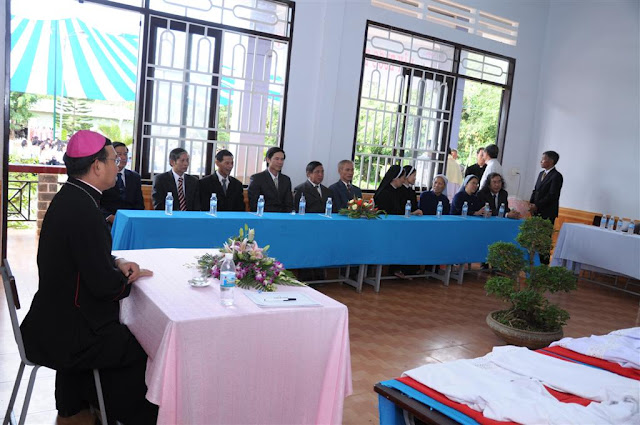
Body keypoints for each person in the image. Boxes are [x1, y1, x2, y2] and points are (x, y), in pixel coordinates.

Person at [19, 130, 158, 424]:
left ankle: (80, 405)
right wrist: (127, 281)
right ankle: (118, 416)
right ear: (96, 166)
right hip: (69, 333)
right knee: (144, 346)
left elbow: (82, 257)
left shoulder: (71, 197)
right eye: (114, 160)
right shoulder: (85, 210)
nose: (118, 166)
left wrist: (117, 261)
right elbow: (104, 287)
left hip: (50, 319)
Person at [101, 142, 145, 225]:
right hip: (106, 221)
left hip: (131, 221)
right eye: (119, 154)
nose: (123, 158)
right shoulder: (102, 176)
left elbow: (139, 204)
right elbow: (97, 202)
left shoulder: (134, 177)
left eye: (125, 154)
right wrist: (109, 217)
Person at [247, 147, 293, 212]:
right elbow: (254, 205)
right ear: (268, 159)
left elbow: (289, 204)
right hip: (264, 215)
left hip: (283, 216)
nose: (280, 162)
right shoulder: (257, 179)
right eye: (277, 159)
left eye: (282, 159)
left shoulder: (286, 180)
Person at [529, 150, 563, 224]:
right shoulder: (541, 174)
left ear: (551, 161)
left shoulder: (556, 176)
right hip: (536, 210)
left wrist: (537, 205)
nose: (541, 161)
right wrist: (531, 204)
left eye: (543, 159)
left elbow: (552, 195)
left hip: (547, 212)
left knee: (543, 231)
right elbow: (536, 190)